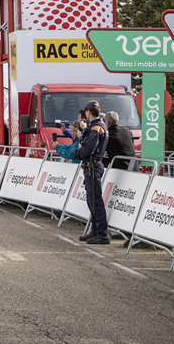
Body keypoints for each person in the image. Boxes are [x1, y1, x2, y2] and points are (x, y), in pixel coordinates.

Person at [75, 101, 110, 245]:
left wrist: (78, 152)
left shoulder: (96, 128)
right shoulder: (99, 127)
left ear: (88, 112)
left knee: (95, 200)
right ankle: (95, 230)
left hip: (93, 167)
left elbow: (89, 148)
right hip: (94, 166)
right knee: (92, 200)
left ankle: (102, 233)